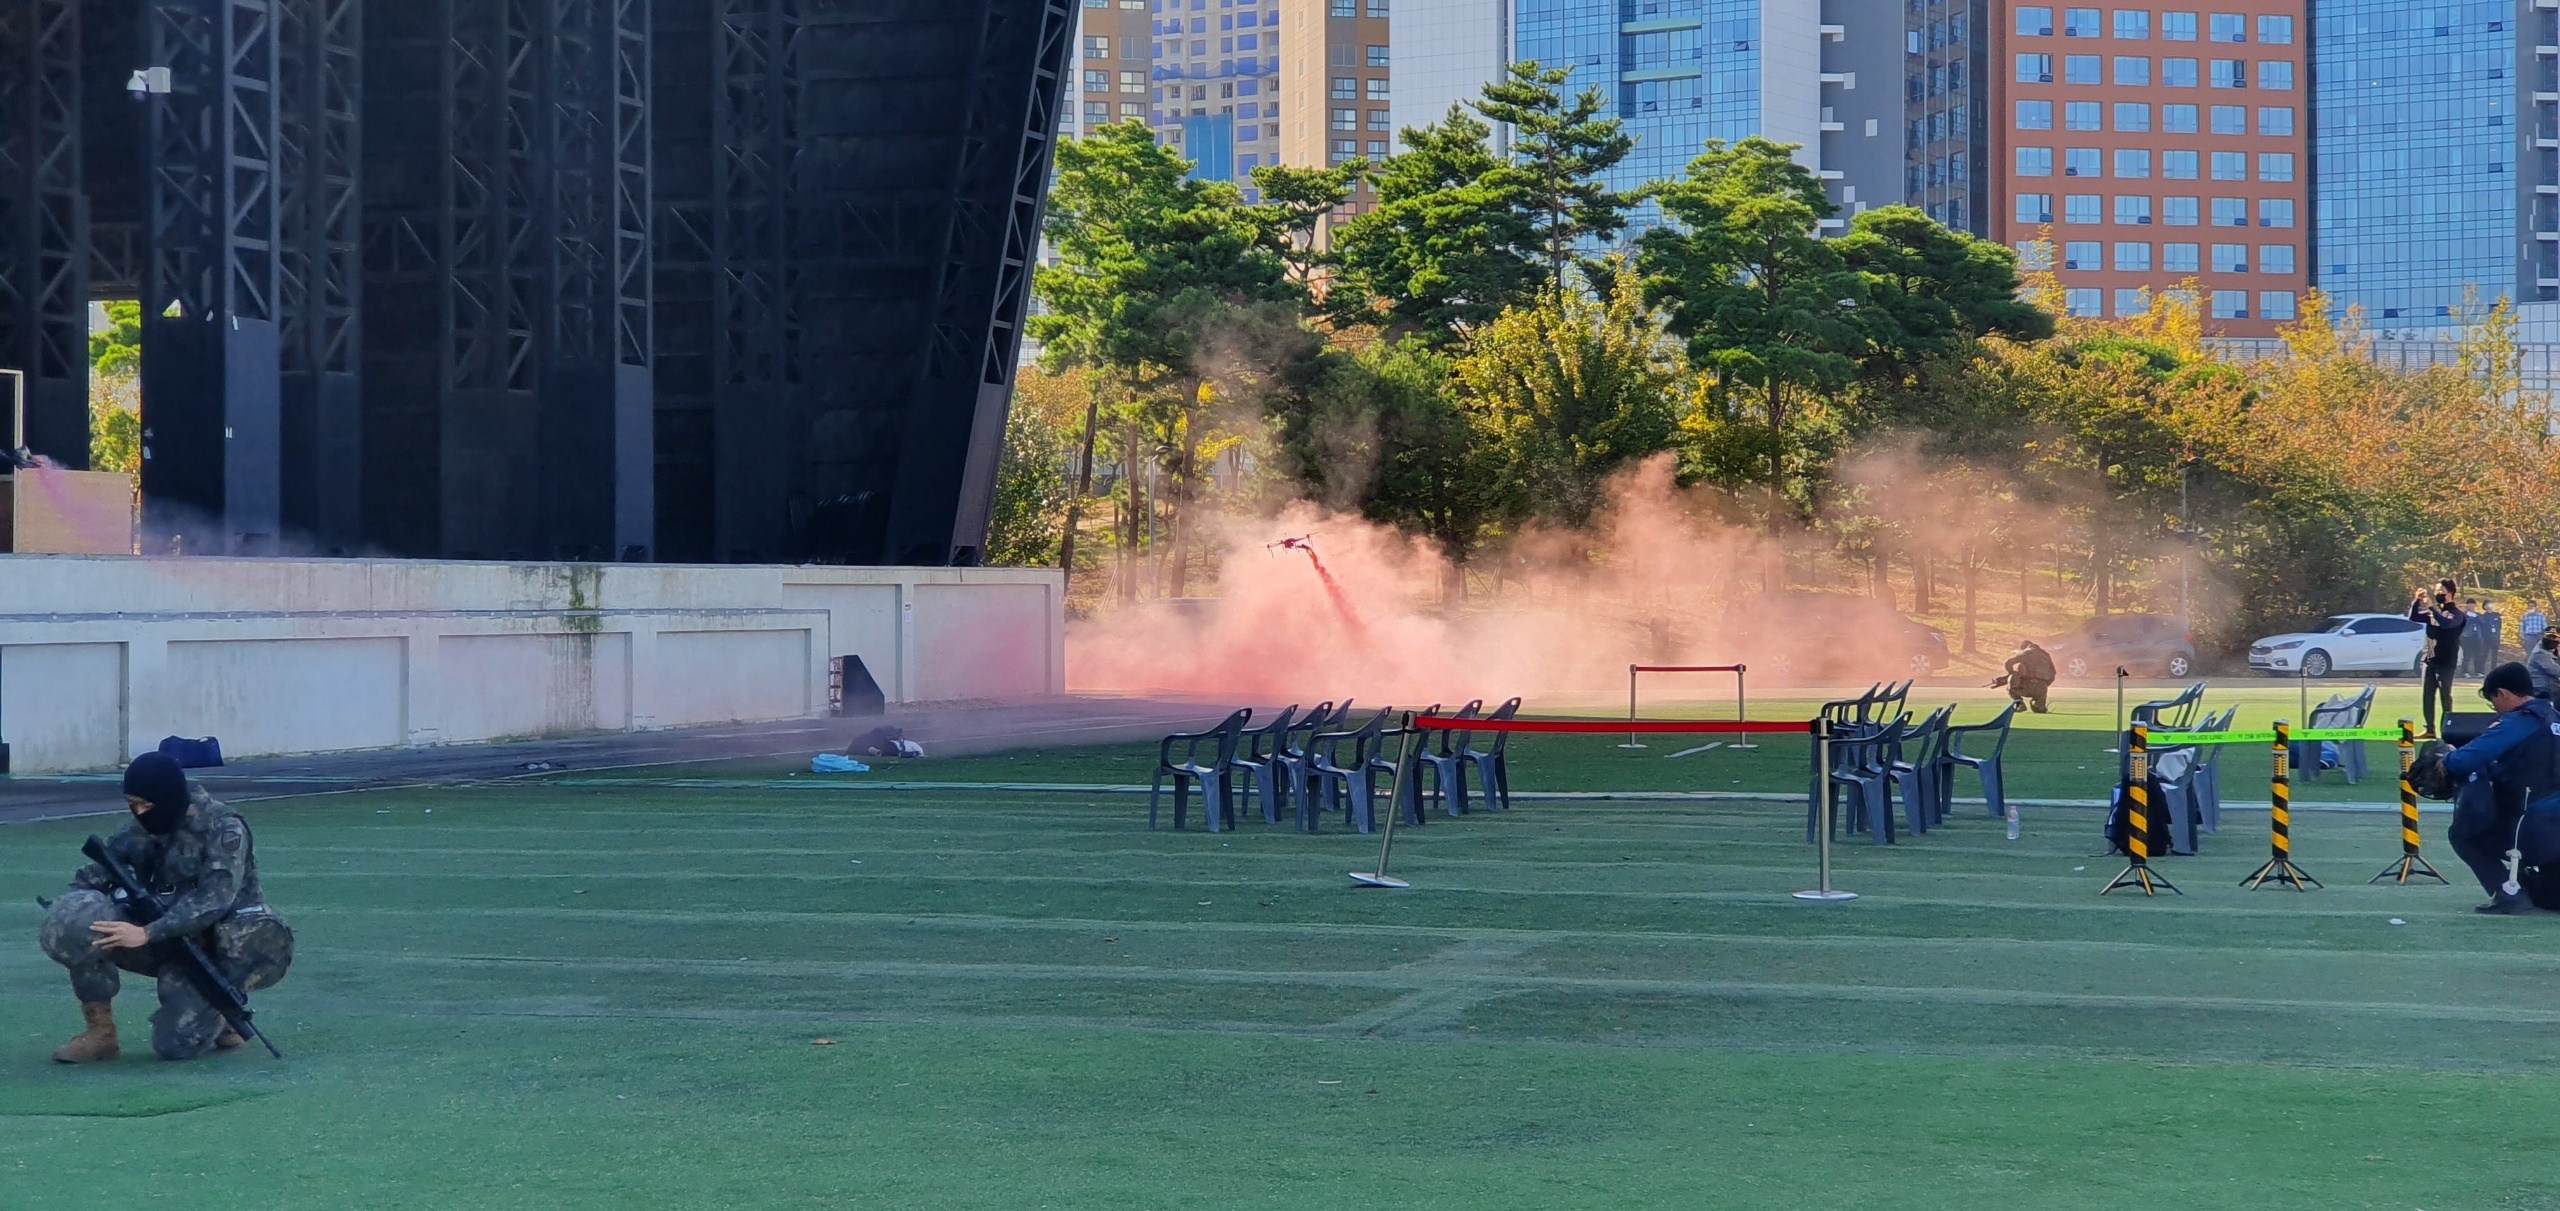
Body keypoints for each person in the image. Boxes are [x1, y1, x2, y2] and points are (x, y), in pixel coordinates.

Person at [38, 753, 294, 1062]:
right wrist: (71, 916)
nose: (138, 813)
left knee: (175, 1045)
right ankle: (100, 1033)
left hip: (212, 952)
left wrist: (147, 932)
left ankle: (220, 1014)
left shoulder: (223, 829)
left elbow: (214, 900)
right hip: (160, 939)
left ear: (169, 798)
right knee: (79, 920)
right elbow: (90, 878)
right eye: (132, 804)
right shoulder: (138, 831)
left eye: (145, 805)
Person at [2442, 663, 2560, 914]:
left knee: (2463, 835)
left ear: (2503, 694)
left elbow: (2467, 759)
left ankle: (2509, 894)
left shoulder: (2520, 721)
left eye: (2493, 700)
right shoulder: (2554, 718)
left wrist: (2446, 759)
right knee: (2550, 898)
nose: (2494, 708)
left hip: (2533, 825)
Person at [2412, 581, 2467, 738]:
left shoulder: (2457, 614)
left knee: (2445, 697)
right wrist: (2417, 601)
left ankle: (2447, 730)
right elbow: (2413, 616)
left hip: (2446, 662)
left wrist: (2431, 608)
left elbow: (2445, 623)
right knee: (2427, 696)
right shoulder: (2433, 613)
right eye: (2436, 590)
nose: (2437, 594)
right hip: (2430, 660)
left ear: (2449, 593)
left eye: (2440, 590)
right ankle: (2429, 729)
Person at [1990, 639, 2056, 713]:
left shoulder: (2026, 652)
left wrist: (2010, 673)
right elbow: (2053, 674)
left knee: (2012, 678)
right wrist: (2043, 685)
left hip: (2026, 688)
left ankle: (2019, 704)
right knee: (2040, 710)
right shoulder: (2045, 655)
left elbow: (2008, 663)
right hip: (2042, 690)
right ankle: (2039, 704)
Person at [2479, 599, 2505, 671]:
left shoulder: (2496, 615)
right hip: (2486, 638)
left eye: (2491, 603)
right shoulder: (2483, 616)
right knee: (2485, 654)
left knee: (2494, 655)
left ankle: (2493, 669)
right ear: (2485, 606)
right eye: (2488, 604)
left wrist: (2497, 635)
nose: (2490, 605)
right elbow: (2482, 627)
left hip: (2495, 637)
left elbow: (2499, 626)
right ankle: (2481, 670)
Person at [2533, 632, 2560, 701]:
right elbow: (2555, 670)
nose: (2551, 639)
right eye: (2549, 636)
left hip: (2550, 684)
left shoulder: (2548, 647)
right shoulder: (2539, 652)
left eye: (2554, 637)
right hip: (2541, 688)